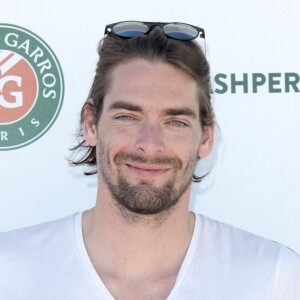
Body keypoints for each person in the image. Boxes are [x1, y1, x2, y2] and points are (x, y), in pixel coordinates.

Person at [0, 21, 299, 300]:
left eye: (176, 122)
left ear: (206, 136)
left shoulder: (273, 279)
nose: (150, 144)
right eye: (127, 117)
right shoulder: (9, 273)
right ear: (91, 124)